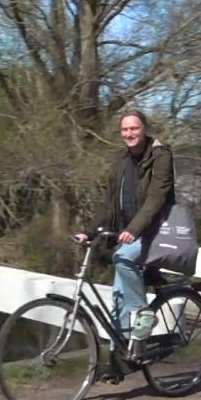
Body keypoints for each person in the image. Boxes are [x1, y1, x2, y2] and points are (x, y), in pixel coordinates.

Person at [74, 109, 176, 344]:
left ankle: (144, 312)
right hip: (127, 234)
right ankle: (121, 359)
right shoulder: (121, 161)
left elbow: (156, 198)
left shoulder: (160, 155)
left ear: (144, 129)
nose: (129, 133)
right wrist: (89, 232)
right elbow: (110, 206)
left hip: (153, 232)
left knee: (122, 259)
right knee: (118, 299)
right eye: (125, 129)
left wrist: (134, 229)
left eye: (134, 128)